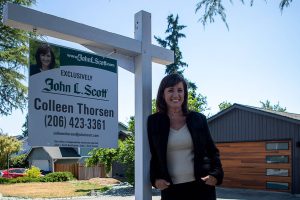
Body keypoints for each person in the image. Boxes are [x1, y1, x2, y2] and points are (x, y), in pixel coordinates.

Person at [147, 73, 224, 200]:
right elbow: (154, 154)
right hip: (171, 189)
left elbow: (212, 151)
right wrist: (155, 179)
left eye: (180, 90)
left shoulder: (198, 119)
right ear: (163, 94)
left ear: (185, 94)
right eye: (170, 90)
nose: (176, 95)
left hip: (202, 187)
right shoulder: (154, 122)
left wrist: (215, 175)